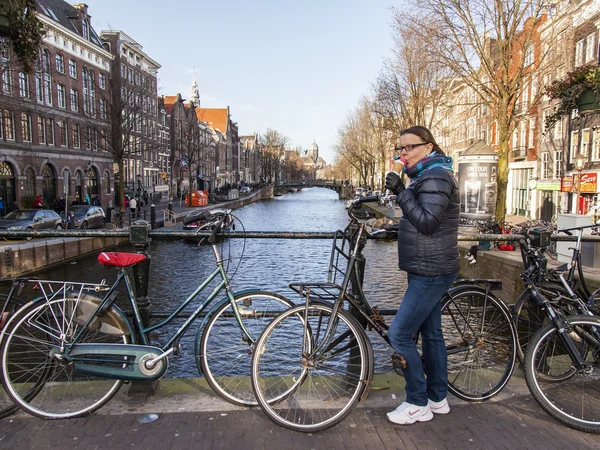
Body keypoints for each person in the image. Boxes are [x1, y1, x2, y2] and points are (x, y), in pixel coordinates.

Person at [383, 125, 460, 425]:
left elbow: (427, 222)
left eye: (408, 147)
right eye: (400, 148)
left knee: (399, 333)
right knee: (432, 334)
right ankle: (437, 398)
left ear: (428, 147)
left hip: (431, 269)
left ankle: (417, 401)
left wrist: (401, 192)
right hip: (427, 267)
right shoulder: (426, 176)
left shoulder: (437, 177)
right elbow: (422, 219)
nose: (402, 153)